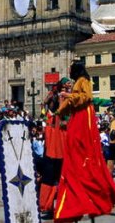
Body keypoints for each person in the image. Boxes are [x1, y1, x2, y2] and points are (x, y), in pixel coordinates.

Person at [53, 61, 115, 222]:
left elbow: (86, 97)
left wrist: (68, 96)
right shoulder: (78, 82)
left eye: (71, 69)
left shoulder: (83, 81)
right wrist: (59, 111)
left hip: (83, 117)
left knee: (80, 146)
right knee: (74, 149)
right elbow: (72, 102)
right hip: (78, 115)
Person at [38, 77, 70, 220]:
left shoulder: (54, 94)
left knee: (52, 171)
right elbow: (62, 112)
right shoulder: (62, 96)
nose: (70, 84)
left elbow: (44, 105)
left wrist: (47, 117)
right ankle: (52, 205)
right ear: (63, 84)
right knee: (57, 169)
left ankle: (49, 205)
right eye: (67, 82)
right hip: (58, 132)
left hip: (54, 131)